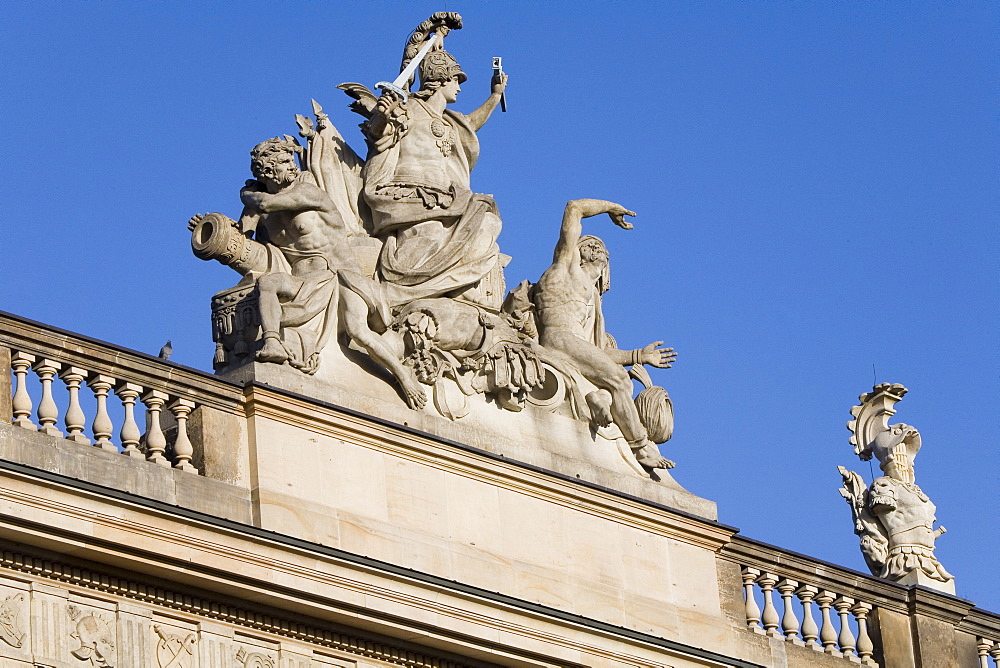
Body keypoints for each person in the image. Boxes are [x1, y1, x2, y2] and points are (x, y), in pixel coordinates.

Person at [193, 136, 426, 409]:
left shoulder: (307, 191)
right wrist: (216, 230)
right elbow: (242, 234)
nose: (290, 167)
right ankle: (272, 343)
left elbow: (265, 204)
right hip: (302, 279)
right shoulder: (257, 208)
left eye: (290, 160)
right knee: (267, 284)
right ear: (267, 171)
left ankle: (403, 375)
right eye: (282, 163)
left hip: (339, 274)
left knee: (358, 331)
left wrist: (246, 193)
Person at [362, 18, 508, 310]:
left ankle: (449, 285)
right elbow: (379, 133)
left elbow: (471, 124)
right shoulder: (409, 108)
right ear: (440, 81)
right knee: (427, 235)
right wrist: (381, 115)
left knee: (488, 220)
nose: (460, 88)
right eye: (457, 80)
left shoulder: (450, 122)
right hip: (409, 195)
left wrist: (495, 96)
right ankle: (403, 292)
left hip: (446, 198)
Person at [532, 199, 676, 469]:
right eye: (591, 245)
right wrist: (611, 207)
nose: (598, 249)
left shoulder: (593, 301)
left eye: (602, 248)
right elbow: (574, 208)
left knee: (619, 380)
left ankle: (600, 400)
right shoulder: (565, 266)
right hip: (558, 337)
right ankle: (641, 446)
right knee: (620, 379)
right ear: (579, 250)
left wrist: (639, 355)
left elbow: (597, 352)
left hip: (573, 344)